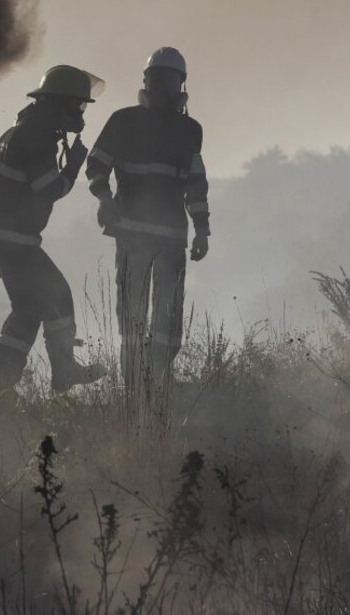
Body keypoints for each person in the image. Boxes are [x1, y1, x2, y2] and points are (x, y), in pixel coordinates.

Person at [85, 47, 210, 423]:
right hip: (138, 239)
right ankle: (134, 397)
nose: (160, 86)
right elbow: (96, 165)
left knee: (166, 324)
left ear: (179, 85)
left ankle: (156, 387)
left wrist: (202, 228)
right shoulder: (123, 122)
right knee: (133, 319)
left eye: (166, 80)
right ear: (147, 82)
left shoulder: (191, 131)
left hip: (170, 240)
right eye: (156, 79)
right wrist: (104, 199)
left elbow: (196, 185)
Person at [0, 65, 107, 402]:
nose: (80, 114)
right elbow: (51, 189)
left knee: (28, 310)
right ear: (58, 104)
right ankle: (62, 371)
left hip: (8, 237)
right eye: (77, 106)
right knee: (57, 296)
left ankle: (0, 391)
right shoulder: (35, 137)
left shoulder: (20, 131)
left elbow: (1, 189)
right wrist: (75, 162)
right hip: (16, 239)